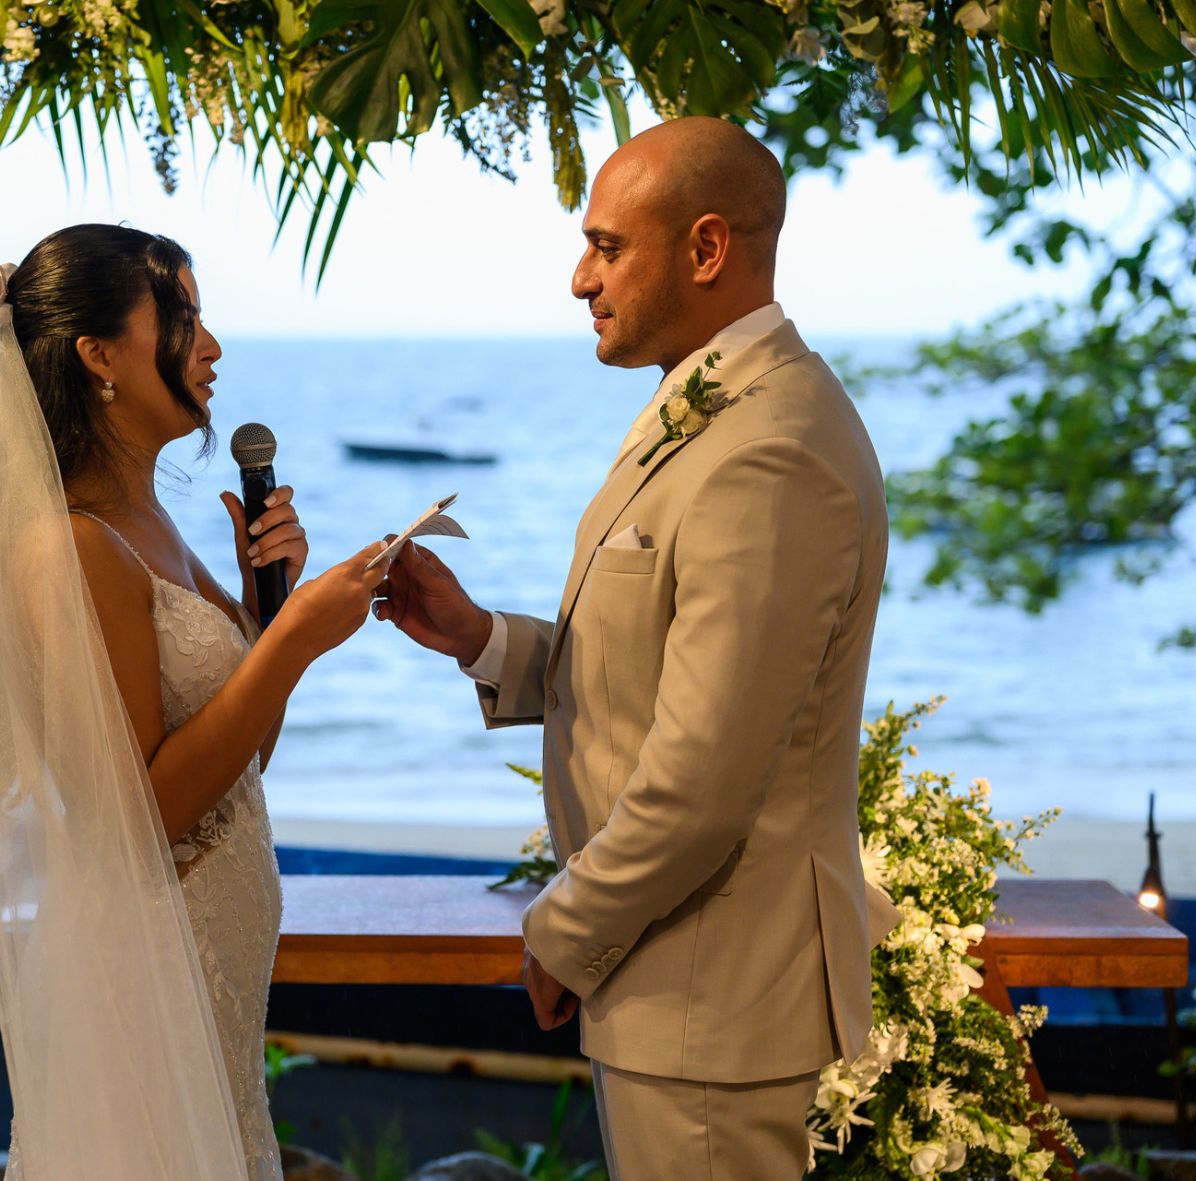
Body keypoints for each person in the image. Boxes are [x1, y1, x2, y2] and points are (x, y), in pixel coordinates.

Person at [376, 119, 902, 1179]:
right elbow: (655, 670)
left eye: (607, 247)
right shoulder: (716, 407)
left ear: (706, 249)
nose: (580, 278)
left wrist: (563, 928)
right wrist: (484, 640)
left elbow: (704, 777)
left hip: (712, 996)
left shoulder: (771, 448)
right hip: (676, 987)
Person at [0, 224, 389, 1180]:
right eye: (181, 319)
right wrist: (294, 638)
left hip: (211, 988)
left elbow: (239, 764)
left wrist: (267, 615)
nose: (210, 346)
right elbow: (142, 814)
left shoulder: (150, 521)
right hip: (147, 980)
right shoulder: (71, 543)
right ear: (99, 354)